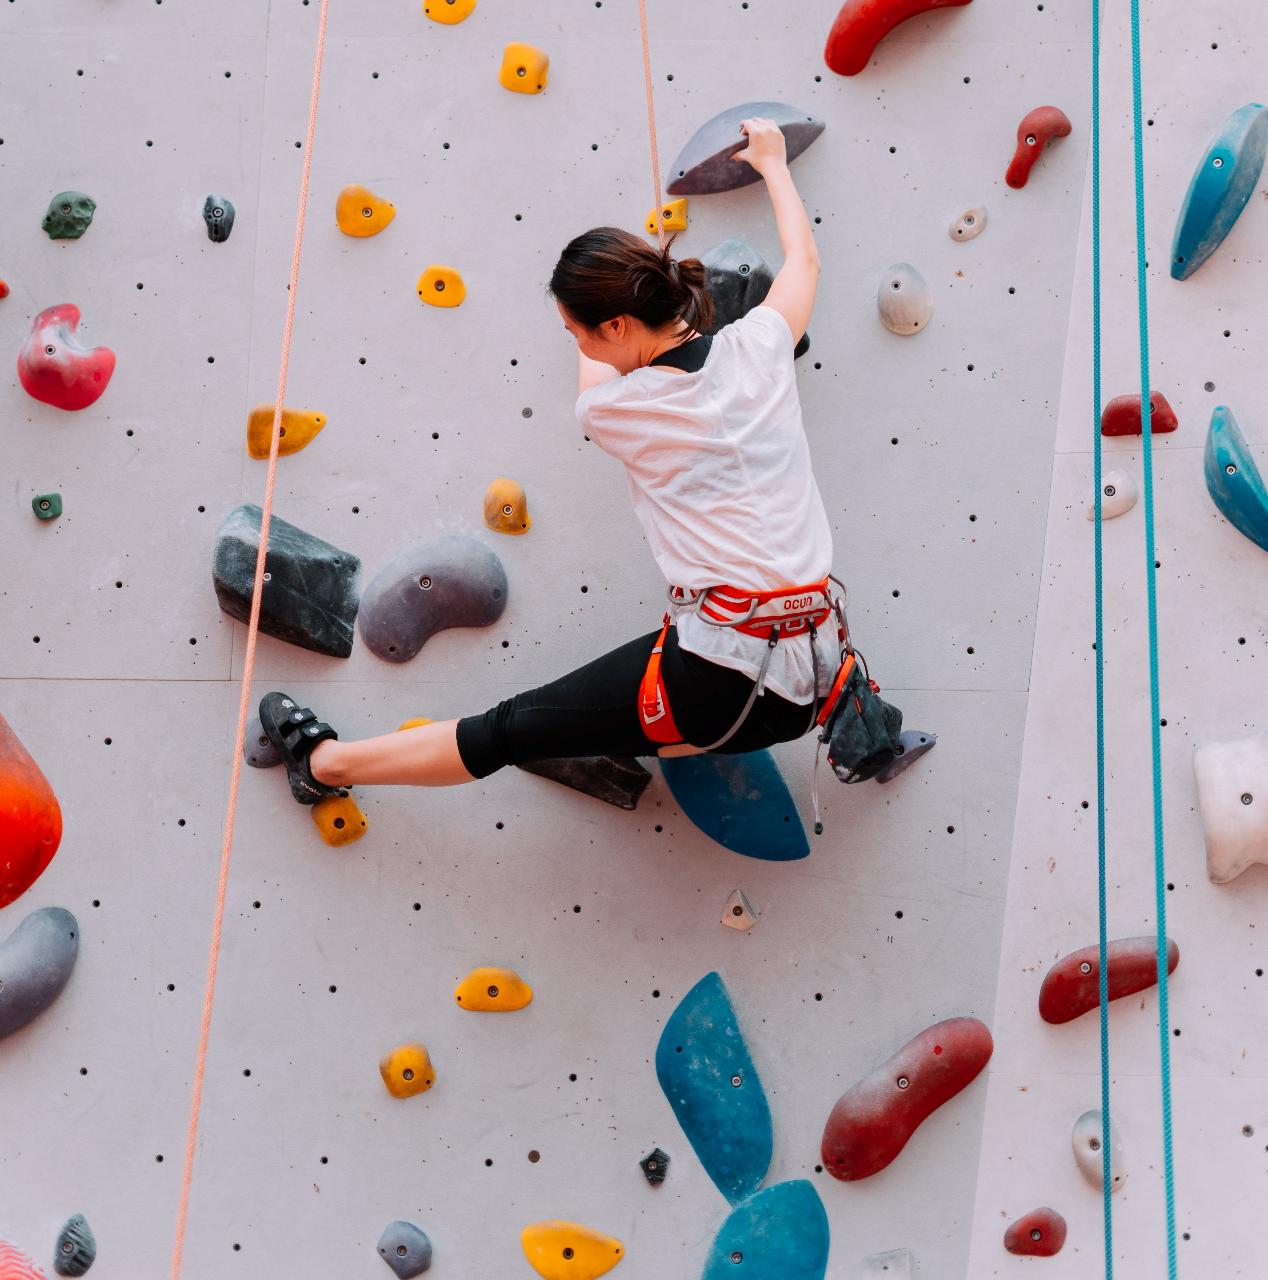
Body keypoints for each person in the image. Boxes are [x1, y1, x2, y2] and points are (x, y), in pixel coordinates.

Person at [258, 116, 843, 806]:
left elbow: (599, 375)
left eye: (577, 330)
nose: (578, 344)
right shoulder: (763, 348)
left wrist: (601, 311)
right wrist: (773, 163)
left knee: (506, 730)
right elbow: (804, 262)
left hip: (723, 685)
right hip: (817, 669)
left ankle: (322, 767)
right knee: (626, 705)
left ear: (617, 326)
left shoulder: (618, 410)